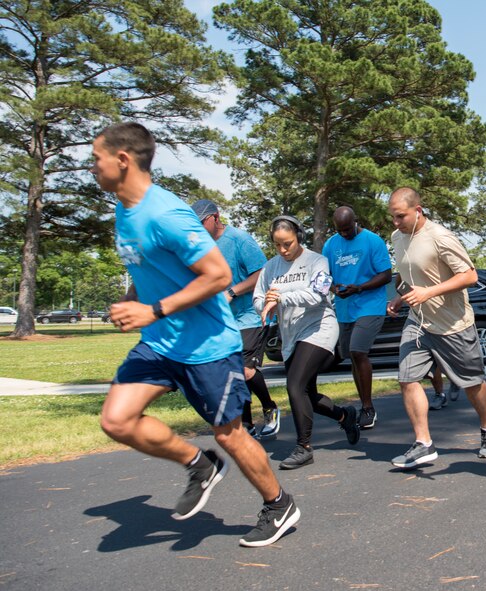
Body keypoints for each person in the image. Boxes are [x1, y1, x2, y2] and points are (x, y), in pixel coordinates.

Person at [95, 122, 298, 548]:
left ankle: (279, 504)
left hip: (207, 346)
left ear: (123, 159)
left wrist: (152, 309)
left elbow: (218, 275)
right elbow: (149, 270)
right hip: (160, 342)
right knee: (116, 419)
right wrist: (134, 300)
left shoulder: (165, 213)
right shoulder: (123, 209)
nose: (92, 167)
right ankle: (199, 464)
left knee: (229, 434)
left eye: (97, 158)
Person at [387, 187, 486, 469]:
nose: (395, 223)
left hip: (453, 325)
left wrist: (428, 292)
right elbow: (406, 271)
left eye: (401, 216)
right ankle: (423, 443)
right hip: (418, 322)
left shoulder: (440, 237)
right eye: (393, 217)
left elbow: (470, 275)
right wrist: (401, 298)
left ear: (418, 210)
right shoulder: (397, 237)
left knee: (472, 383)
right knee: (407, 378)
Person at [253, 215, 361, 470]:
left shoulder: (317, 261)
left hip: (319, 329)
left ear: (299, 237)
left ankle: (304, 447)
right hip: (291, 336)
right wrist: (266, 302)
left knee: (295, 385)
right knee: (307, 396)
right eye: (277, 244)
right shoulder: (270, 268)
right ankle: (345, 416)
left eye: (287, 243)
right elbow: (259, 299)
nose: (283, 250)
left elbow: (317, 294)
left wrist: (280, 297)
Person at [191, 199, 280, 440]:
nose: (197, 229)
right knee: (232, 373)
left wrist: (232, 292)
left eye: (201, 223)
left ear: (216, 217)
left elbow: (262, 273)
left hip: (251, 315)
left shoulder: (239, 239)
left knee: (245, 370)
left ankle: (270, 407)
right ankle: (248, 422)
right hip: (223, 321)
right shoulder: (201, 247)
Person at [321, 206, 392, 429]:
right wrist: (334, 289)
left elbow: (386, 275)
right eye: (339, 230)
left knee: (357, 350)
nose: (344, 234)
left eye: (347, 229)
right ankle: (365, 405)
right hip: (345, 307)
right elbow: (323, 276)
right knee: (352, 355)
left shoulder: (373, 241)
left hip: (370, 305)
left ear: (356, 221)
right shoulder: (331, 244)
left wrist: (359, 288)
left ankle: (368, 408)